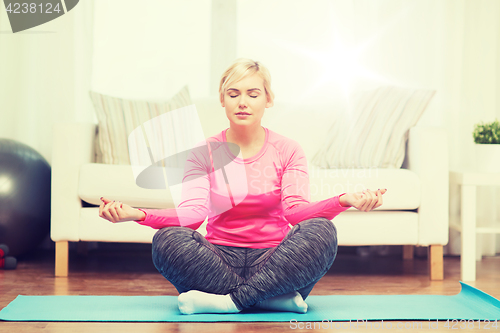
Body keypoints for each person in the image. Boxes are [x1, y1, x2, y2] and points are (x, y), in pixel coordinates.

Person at [99, 58, 387, 315]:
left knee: (322, 230)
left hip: (277, 261)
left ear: (268, 99)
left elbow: (296, 213)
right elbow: (192, 216)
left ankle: (228, 303)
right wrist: (139, 215)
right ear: (222, 100)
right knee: (166, 240)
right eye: (233, 94)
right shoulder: (204, 152)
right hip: (217, 261)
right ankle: (270, 300)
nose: (243, 102)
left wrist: (344, 199)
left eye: (253, 94)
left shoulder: (288, 149)